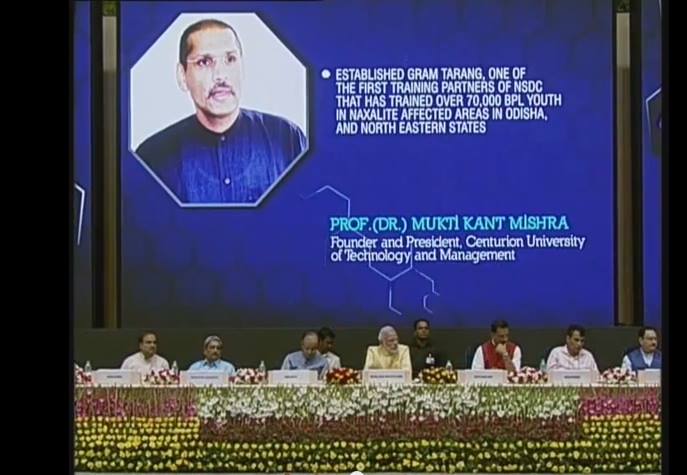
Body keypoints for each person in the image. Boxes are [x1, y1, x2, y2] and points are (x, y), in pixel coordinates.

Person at [135, 19, 307, 204]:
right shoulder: (154, 157)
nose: (220, 75)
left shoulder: (286, 138)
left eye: (230, 59)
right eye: (204, 62)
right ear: (182, 76)